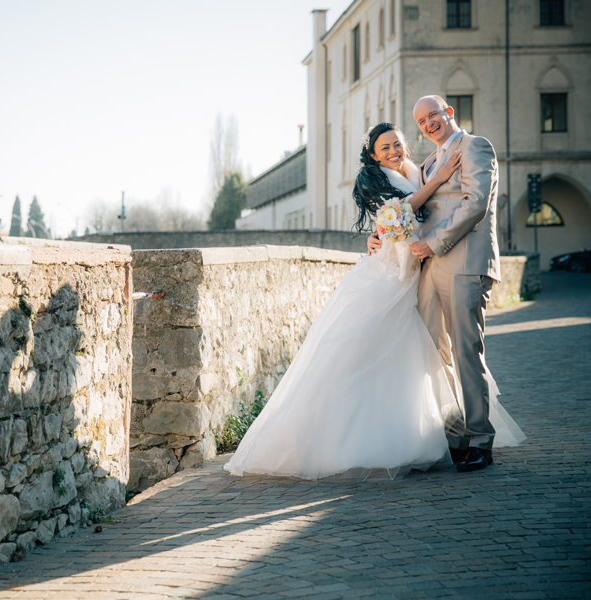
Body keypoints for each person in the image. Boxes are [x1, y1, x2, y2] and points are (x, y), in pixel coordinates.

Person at [224, 122, 524, 481]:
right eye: (385, 148)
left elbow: (422, 214)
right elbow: (393, 213)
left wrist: (386, 228)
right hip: (389, 276)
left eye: (397, 144)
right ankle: (348, 440)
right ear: (372, 154)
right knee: (364, 353)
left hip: (422, 269)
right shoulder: (380, 177)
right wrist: (396, 217)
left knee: (430, 354)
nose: (394, 151)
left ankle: (454, 432)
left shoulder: (419, 168)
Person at [368, 96, 519, 472]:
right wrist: (377, 237)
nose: (429, 123)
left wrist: (432, 243)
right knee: (436, 355)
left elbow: (475, 204)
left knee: (467, 351)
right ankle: (455, 439)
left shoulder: (476, 146)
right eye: (421, 120)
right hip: (429, 269)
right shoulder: (428, 165)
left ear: (449, 113)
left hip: (466, 264)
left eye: (433, 115)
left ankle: (481, 441)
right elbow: (411, 211)